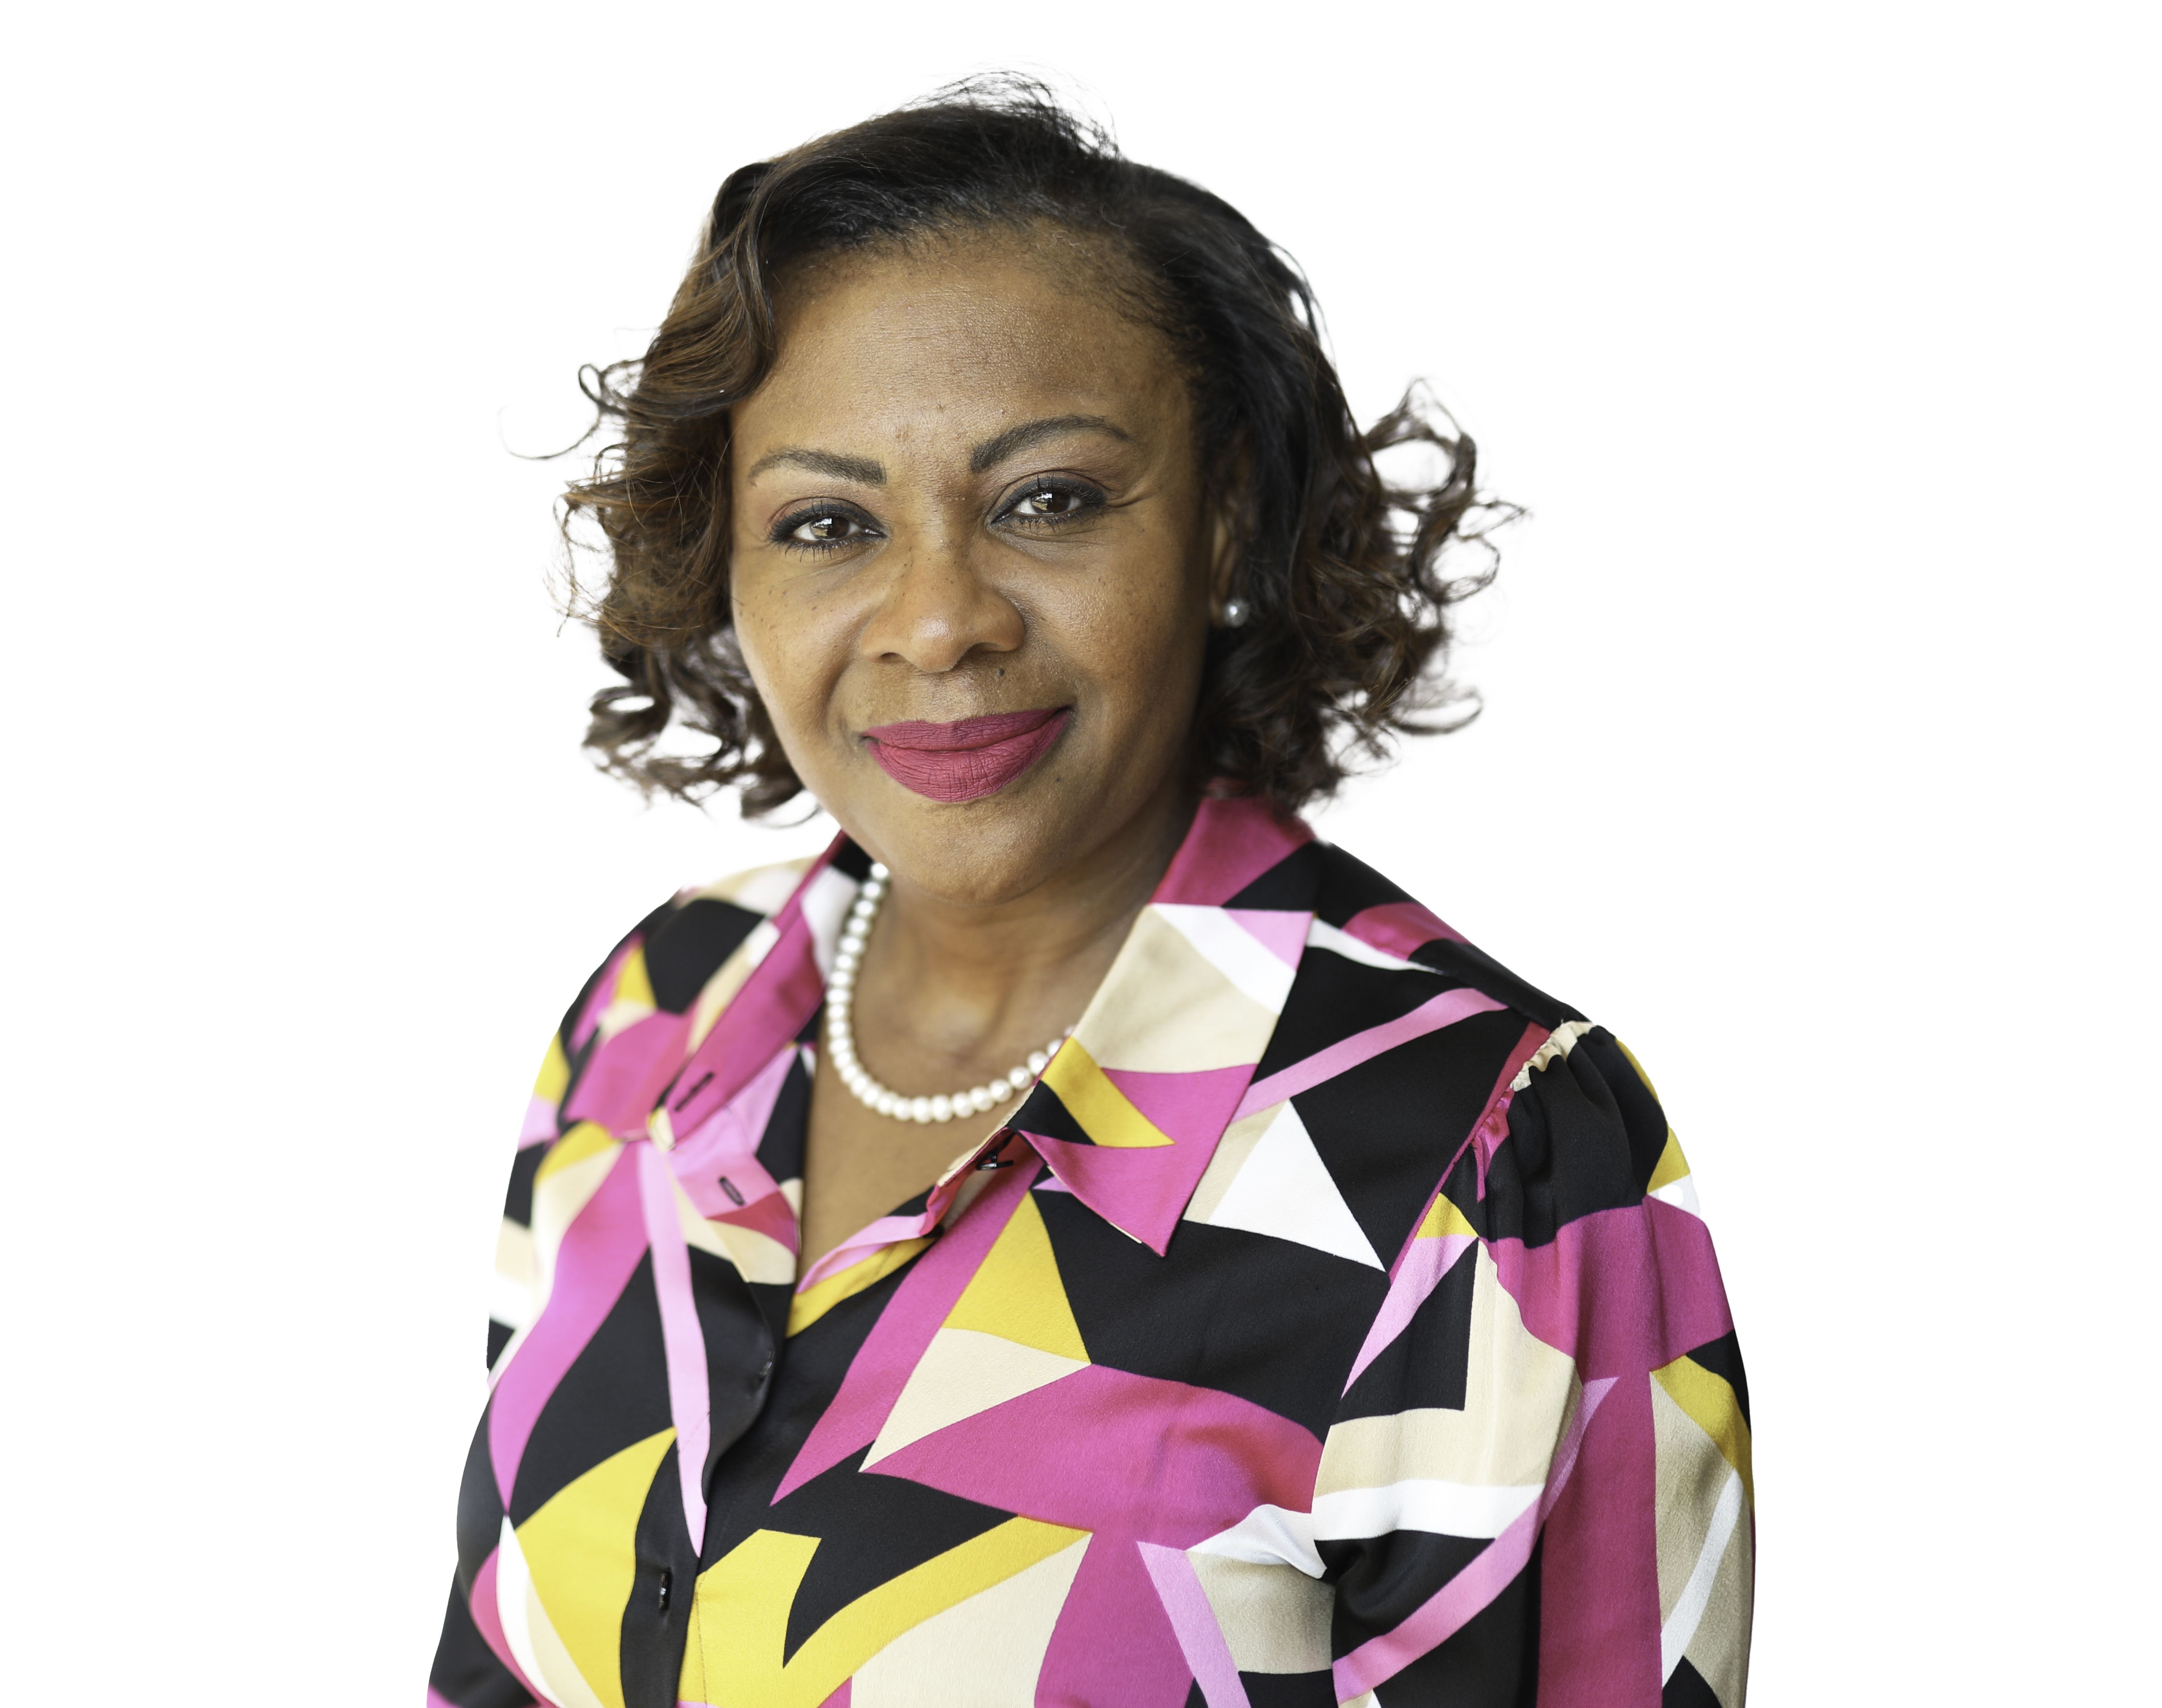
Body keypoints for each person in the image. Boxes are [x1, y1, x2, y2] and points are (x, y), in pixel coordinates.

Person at [428, 81, 1750, 1708]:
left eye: (1046, 499)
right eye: (827, 522)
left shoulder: (1485, 1160)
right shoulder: (653, 1018)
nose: (939, 620)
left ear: (1225, 521)